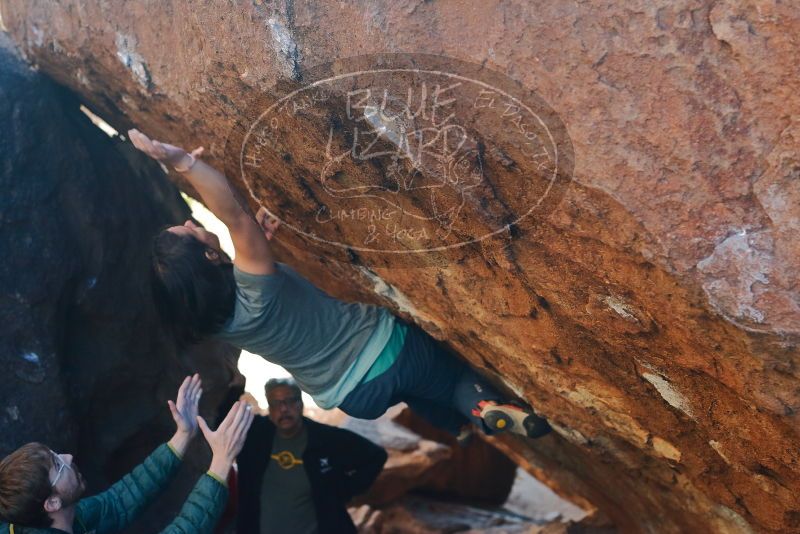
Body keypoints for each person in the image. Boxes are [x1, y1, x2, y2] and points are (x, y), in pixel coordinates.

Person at [129, 129, 552, 440]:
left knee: (419, 390)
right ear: (207, 258)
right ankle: (482, 407)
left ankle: (459, 427)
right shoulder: (255, 284)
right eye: (188, 231)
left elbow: (245, 265)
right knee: (451, 378)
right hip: (386, 348)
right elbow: (233, 216)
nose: (190, 222)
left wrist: (256, 245)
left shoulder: (216, 319)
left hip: (352, 396)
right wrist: (183, 162)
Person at [0, 374, 254, 534]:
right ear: (52, 503)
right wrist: (220, 465)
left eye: (56, 454)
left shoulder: (60, 520)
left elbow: (119, 502)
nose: (68, 457)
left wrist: (182, 436)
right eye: (58, 464)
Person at [236, 378, 387, 534]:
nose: (284, 409)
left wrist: (342, 490)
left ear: (301, 403)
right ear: (269, 408)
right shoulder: (255, 437)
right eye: (276, 403)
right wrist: (236, 383)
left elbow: (376, 456)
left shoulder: (324, 439)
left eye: (290, 401)